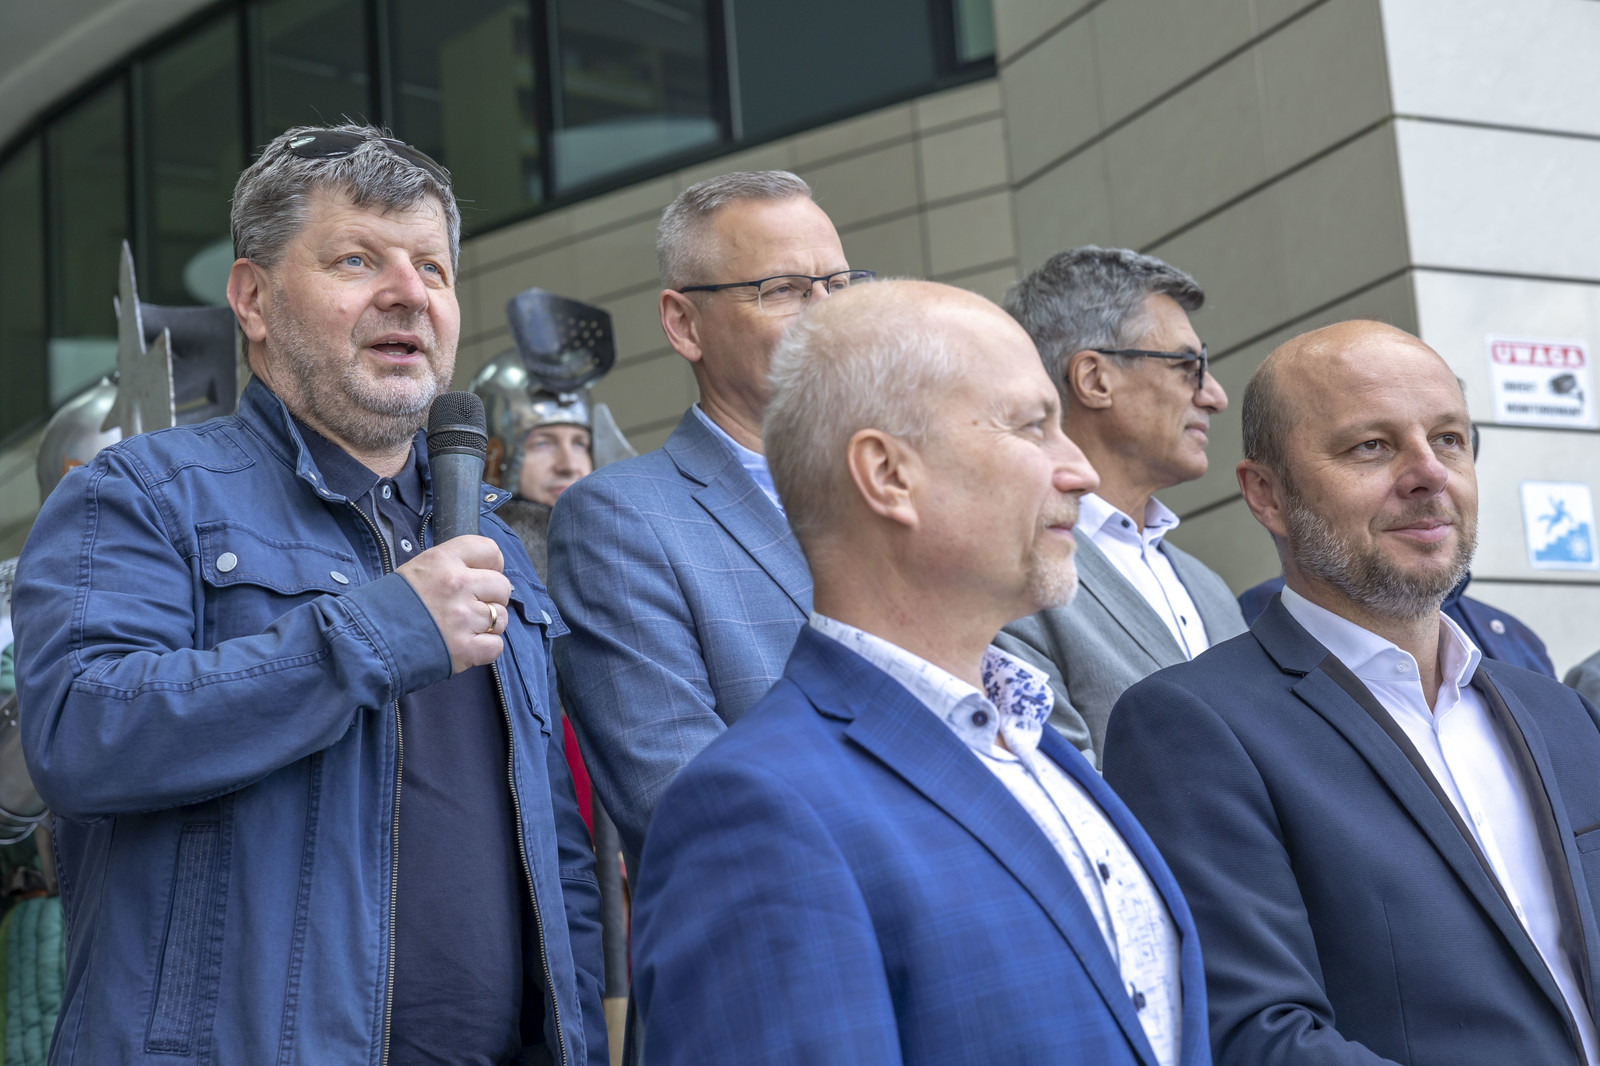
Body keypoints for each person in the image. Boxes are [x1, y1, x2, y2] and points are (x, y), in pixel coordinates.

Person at [13, 124, 605, 1066]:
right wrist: (380, 631)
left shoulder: (496, 544)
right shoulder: (142, 494)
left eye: (432, 268)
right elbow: (82, 733)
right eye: (357, 259)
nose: (409, 292)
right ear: (252, 299)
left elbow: (554, 844)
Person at [632, 279, 1210, 1065]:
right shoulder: (755, 812)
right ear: (888, 475)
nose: (1079, 470)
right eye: (1032, 426)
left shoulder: (1044, 749)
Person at [1103, 320, 1600, 1066]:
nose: (1428, 473)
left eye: (1449, 439)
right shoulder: (1189, 727)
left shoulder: (1559, 714)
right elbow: (1256, 1037)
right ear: (1267, 494)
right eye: (1371, 446)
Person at [547, 170, 872, 867]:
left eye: (839, 285)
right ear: (684, 324)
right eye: (784, 289)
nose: (827, 314)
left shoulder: (907, 489)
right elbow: (687, 803)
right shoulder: (620, 521)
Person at [993, 247, 1245, 762]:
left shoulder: (1211, 590)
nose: (1215, 396)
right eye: (1188, 366)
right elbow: (1061, 783)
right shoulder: (1006, 571)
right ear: (1094, 379)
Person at [473, 350, 596, 575]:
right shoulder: (475, 557)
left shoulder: (613, 545)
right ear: (493, 456)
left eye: (579, 444)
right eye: (542, 444)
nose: (569, 466)